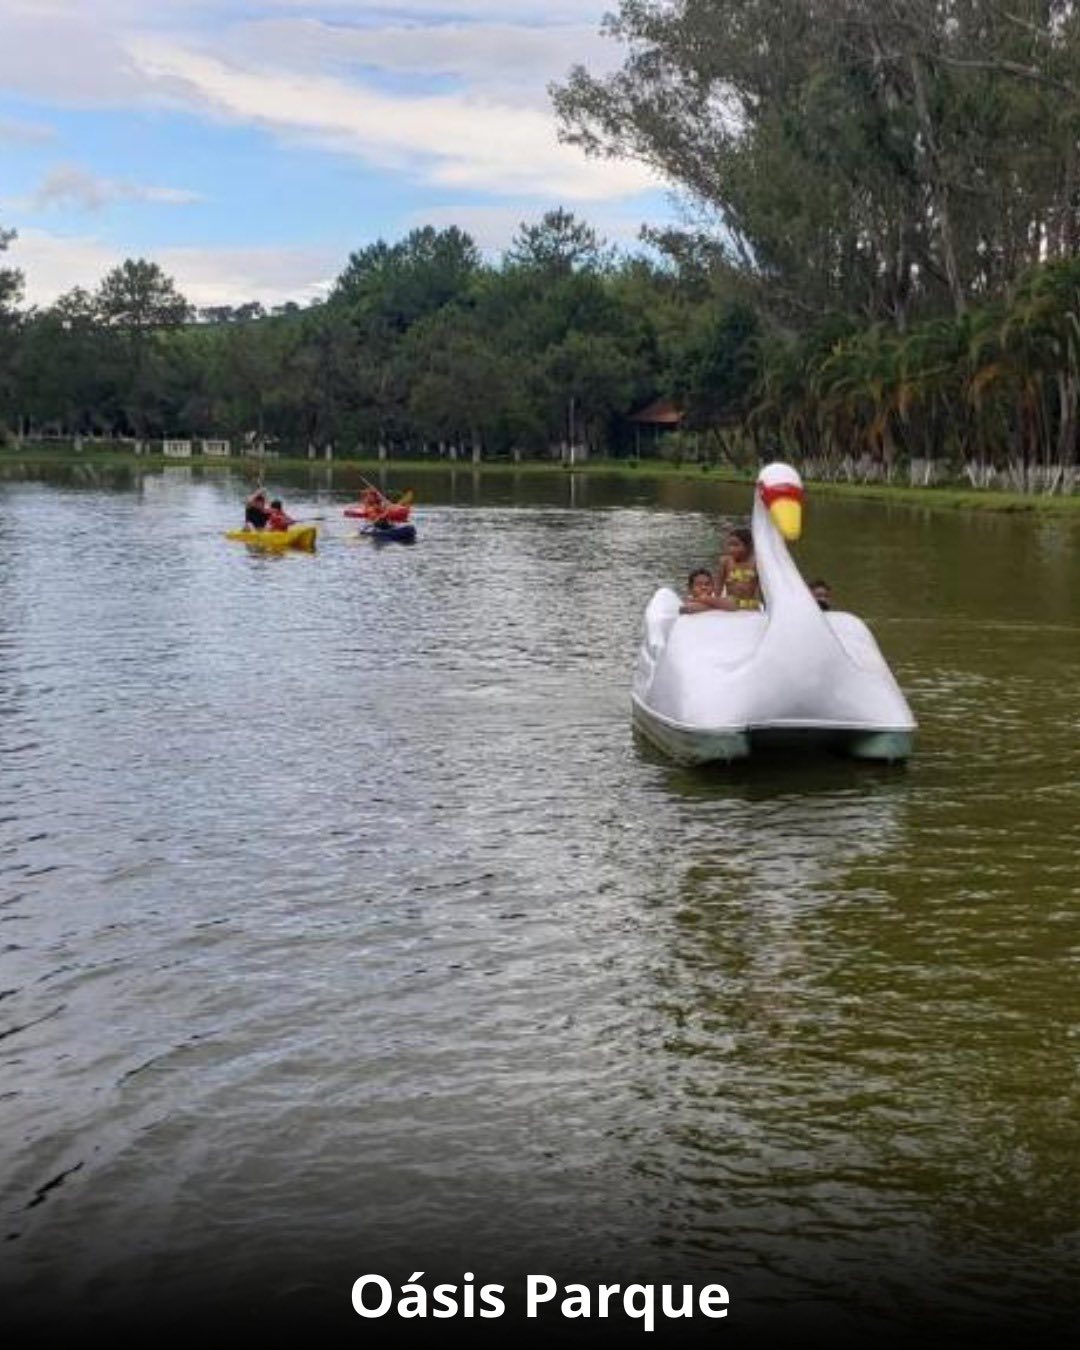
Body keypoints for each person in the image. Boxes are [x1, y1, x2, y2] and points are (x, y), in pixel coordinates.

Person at [715, 527, 761, 610]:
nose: (731, 549)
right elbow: (718, 584)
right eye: (730, 545)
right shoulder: (725, 561)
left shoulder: (755, 562)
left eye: (736, 545)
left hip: (750, 604)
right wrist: (716, 601)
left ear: (748, 546)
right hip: (731, 604)